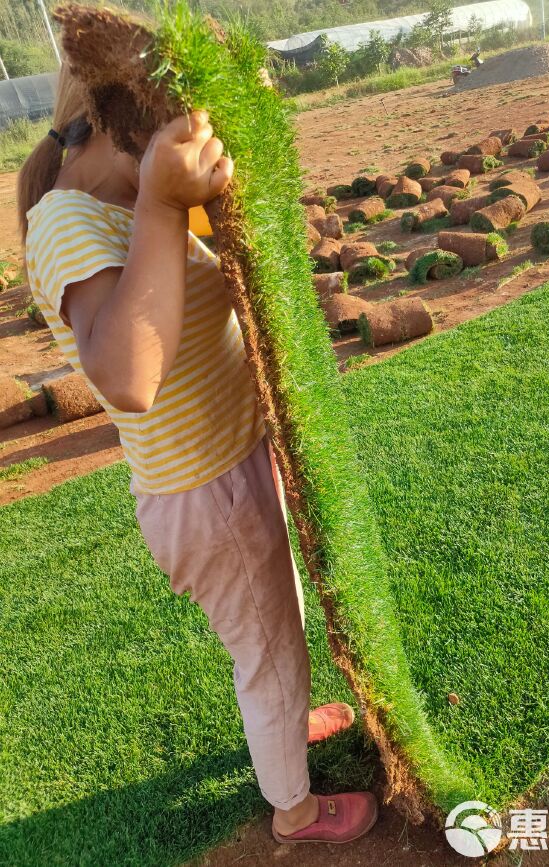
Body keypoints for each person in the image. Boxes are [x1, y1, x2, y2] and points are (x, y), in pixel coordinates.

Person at [18, 61, 378, 845]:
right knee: (268, 645)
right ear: (119, 128)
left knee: (270, 628)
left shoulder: (124, 208)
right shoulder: (65, 222)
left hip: (230, 466)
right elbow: (127, 375)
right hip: (206, 494)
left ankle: (286, 716)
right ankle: (293, 809)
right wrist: (158, 200)